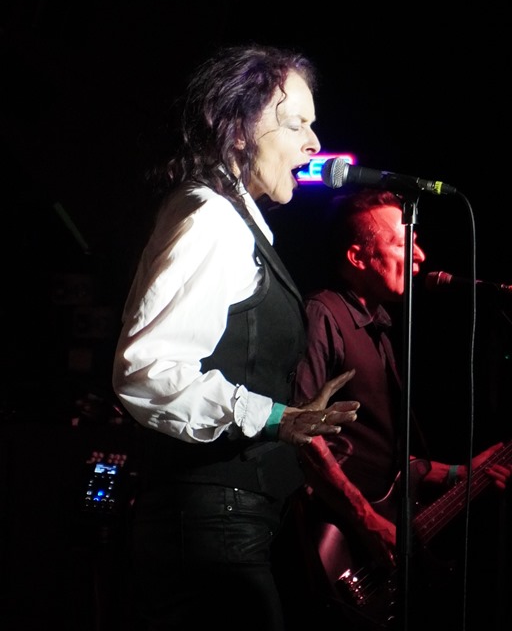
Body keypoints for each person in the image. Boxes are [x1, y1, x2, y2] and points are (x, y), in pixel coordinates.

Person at [111, 43, 361, 630]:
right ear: (241, 130)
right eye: (295, 124)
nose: (314, 144)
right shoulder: (211, 218)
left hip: (225, 524)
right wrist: (274, 417)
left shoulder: (235, 219)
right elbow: (147, 370)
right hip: (208, 529)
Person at [285, 187, 512, 630]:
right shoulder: (323, 314)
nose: (420, 256)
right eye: (403, 243)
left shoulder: (380, 330)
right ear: (358, 257)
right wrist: (367, 521)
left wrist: (460, 473)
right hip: (337, 539)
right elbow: (301, 434)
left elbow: (379, 456)